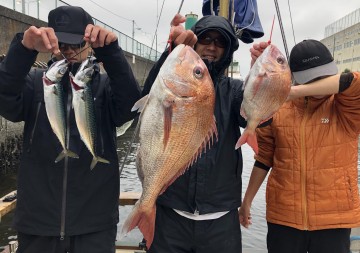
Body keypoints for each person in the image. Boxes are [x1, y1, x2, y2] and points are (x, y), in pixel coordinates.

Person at [0, 5, 141, 253]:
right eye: (63, 45)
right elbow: (6, 102)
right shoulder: (34, 83)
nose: (70, 51)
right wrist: (23, 50)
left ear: (88, 43)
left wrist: (112, 54)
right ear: (51, 44)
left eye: (76, 44)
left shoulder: (106, 86)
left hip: (94, 223)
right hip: (37, 221)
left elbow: (130, 109)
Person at [141, 14, 269, 253]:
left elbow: (252, 116)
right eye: (205, 38)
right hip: (171, 214)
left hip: (221, 220)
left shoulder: (233, 90)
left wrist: (260, 75)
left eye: (220, 42)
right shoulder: (170, 80)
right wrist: (172, 51)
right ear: (194, 43)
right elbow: (151, 94)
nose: (212, 46)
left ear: (228, 50)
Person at [239, 39, 360, 253]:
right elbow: (264, 157)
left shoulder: (345, 107)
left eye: (324, 75)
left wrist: (294, 92)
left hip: (334, 219)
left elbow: (354, 81)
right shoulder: (277, 109)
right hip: (283, 217)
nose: (320, 82)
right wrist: (247, 200)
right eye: (312, 78)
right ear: (294, 76)